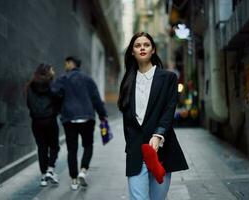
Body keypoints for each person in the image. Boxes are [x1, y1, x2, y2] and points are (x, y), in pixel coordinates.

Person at [118, 32, 189, 200]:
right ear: (132, 52)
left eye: (146, 44)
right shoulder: (127, 81)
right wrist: (130, 146)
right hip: (136, 151)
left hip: (161, 151)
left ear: (153, 50)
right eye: (137, 45)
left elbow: (169, 109)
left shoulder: (168, 78)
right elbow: (127, 120)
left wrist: (158, 135)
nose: (142, 47)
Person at [51, 56, 107, 190]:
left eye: (66, 63)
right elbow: (96, 99)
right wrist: (103, 115)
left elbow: (54, 94)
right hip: (87, 117)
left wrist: (60, 109)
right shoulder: (88, 79)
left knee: (72, 149)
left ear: (71, 64)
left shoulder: (63, 79)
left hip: (69, 118)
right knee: (88, 145)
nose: (65, 66)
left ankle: (74, 179)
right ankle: (83, 170)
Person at [25, 63, 61, 187]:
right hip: (50, 120)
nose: (54, 71)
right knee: (54, 146)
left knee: (42, 147)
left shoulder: (30, 86)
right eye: (52, 69)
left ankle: (43, 176)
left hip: (36, 121)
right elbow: (57, 100)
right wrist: (55, 112)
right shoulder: (52, 85)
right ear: (47, 72)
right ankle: (50, 170)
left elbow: (29, 103)